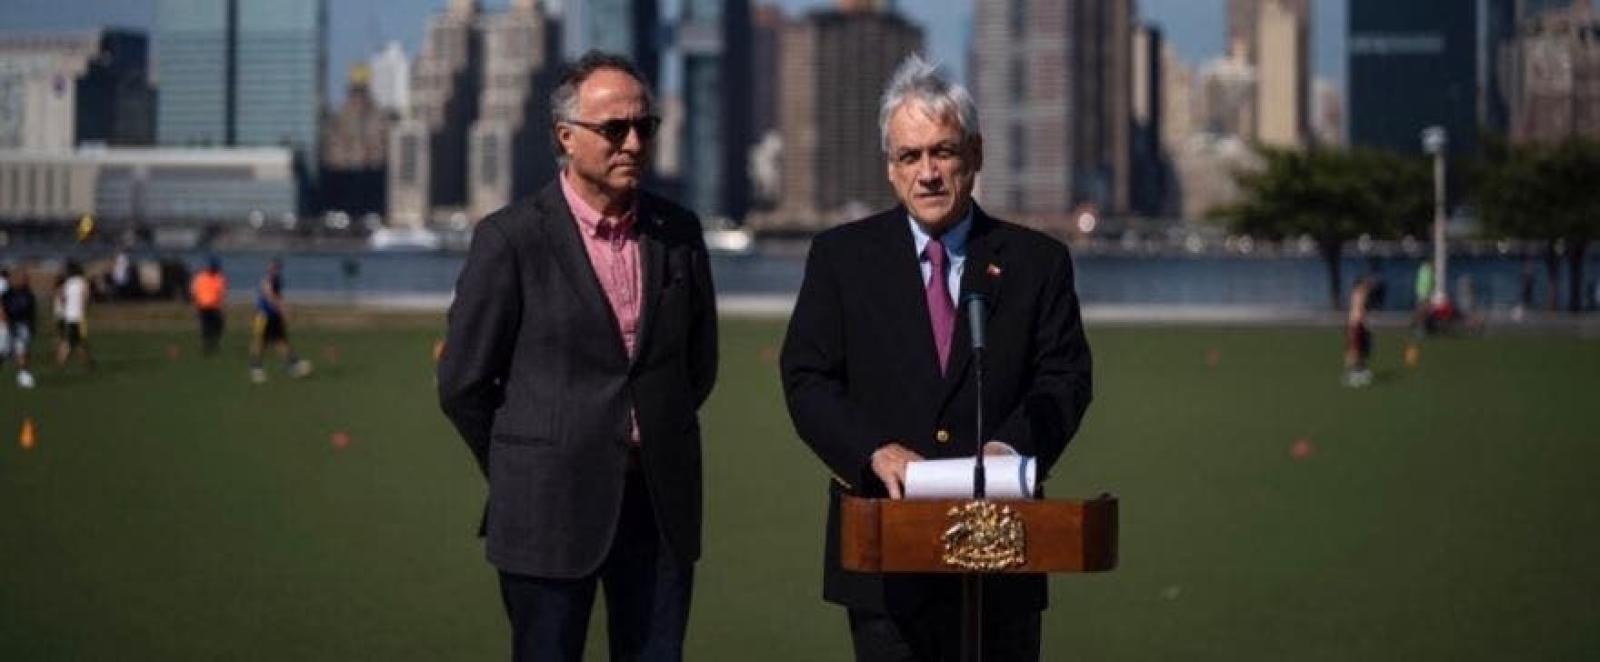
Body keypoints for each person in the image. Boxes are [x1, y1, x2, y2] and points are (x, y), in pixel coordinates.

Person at [779, 56, 1093, 662]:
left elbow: (1066, 378)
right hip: (886, 558)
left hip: (1001, 555)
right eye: (909, 156)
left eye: (942, 152)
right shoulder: (841, 259)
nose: (926, 173)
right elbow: (807, 379)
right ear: (889, 169)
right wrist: (873, 450)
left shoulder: (1037, 263)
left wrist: (1008, 450)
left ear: (975, 154)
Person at [437, 51, 717, 662]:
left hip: (659, 508)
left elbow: (698, 367)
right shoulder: (510, 239)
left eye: (645, 126)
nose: (634, 143)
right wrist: (527, 461)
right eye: (614, 128)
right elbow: (462, 383)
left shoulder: (680, 233)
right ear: (566, 136)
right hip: (546, 510)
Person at [248, 258, 311, 383]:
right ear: (269, 269)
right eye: (272, 268)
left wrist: (282, 311)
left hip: (274, 316)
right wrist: (284, 309)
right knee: (260, 342)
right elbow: (270, 296)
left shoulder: (278, 280)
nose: (274, 270)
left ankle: (292, 365)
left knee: (280, 341)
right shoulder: (267, 281)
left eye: (277, 268)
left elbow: (276, 297)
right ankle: (256, 368)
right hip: (263, 316)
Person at [2, 269, 38, 388]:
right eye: (21, 278)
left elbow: (31, 313)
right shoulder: (7, 294)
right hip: (7, 326)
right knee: (3, 351)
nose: (24, 280)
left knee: (21, 350)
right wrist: (6, 323)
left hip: (22, 326)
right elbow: (2, 310)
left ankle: (23, 375)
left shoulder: (29, 295)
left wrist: (31, 327)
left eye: (25, 278)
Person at [55, 261, 94, 369]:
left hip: (69, 315)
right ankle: (61, 362)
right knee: (74, 341)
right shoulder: (83, 282)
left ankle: (87, 362)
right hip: (79, 316)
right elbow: (86, 298)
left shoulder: (68, 282)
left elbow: (62, 297)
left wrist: (67, 306)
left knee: (76, 341)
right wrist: (85, 308)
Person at [190, 257, 227, 356]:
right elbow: (221, 292)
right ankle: (209, 345)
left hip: (209, 306)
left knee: (212, 326)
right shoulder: (216, 277)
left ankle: (210, 345)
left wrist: (196, 302)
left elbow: (193, 291)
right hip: (207, 306)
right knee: (210, 326)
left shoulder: (201, 277)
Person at [1344, 277, 1374, 387]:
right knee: (1355, 349)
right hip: (1356, 324)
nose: (1365, 286)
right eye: (1363, 284)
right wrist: (1365, 325)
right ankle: (1354, 373)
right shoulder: (1359, 294)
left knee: (1359, 349)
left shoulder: (1357, 294)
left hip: (1356, 324)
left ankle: (1359, 370)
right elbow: (1360, 310)